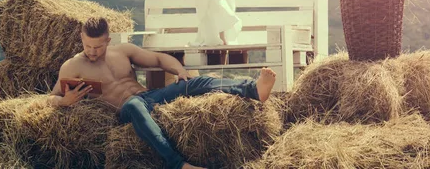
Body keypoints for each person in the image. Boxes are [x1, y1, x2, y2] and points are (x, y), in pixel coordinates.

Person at [48, 17, 277, 169]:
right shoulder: (72, 66)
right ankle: (179, 164)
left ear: (107, 40)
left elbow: (158, 58)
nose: (92, 51)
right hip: (126, 110)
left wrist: (179, 70)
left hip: (149, 97)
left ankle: (252, 89)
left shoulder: (122, 51)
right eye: (88, 46)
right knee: (134, 105)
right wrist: (65, 101)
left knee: (193, 83)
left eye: (97, 46)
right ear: (82, 39)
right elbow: (50, 98)